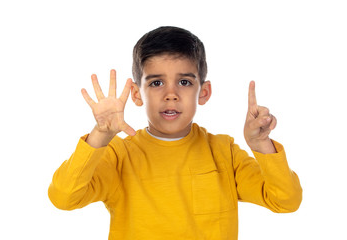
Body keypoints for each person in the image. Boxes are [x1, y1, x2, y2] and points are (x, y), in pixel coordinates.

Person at [48, 26, 302, 240]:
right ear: (137, 94)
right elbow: (64, 197)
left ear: (203, 92)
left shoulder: (224, 152)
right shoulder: (119, 155)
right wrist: (100, 136)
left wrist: (261, 144)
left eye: (184, 82)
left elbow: (286, 200)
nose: (171, 94)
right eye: (156, 83)